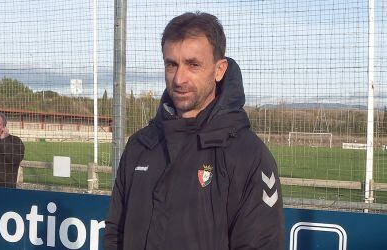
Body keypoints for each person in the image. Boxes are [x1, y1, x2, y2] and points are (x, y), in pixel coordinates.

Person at [104, 12, 284, 250]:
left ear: (219, 70)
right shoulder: (140, 146)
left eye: (193, 65)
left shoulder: (248, 156)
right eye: (172, 64)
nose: (179, 78)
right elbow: (115, 235)